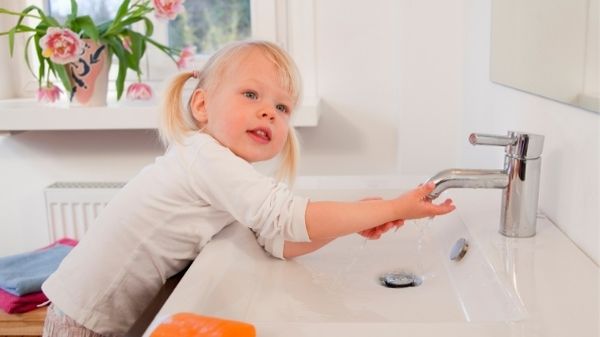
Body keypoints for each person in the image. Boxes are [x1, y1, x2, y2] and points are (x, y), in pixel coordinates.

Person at [41, 40, 455, 337]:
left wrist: (351, 221)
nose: (267, 112)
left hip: (99, 308)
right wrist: (389, 208)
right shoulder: (204, 155)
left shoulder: (230, 174)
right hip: (85, 315)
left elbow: (278, 240)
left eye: (281, 107)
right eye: (251, 94)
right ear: (202, 106)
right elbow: (285, 217)